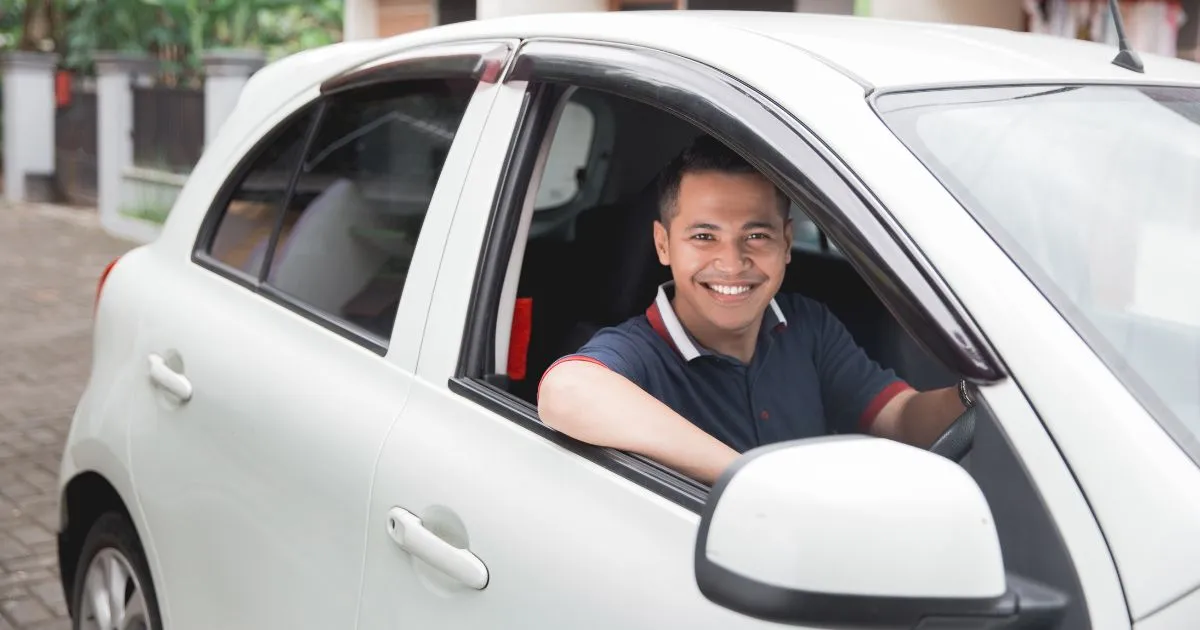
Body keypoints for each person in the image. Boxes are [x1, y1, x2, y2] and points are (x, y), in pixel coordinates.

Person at [536, 136, 973, 485]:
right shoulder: (642, 350)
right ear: (663, 244)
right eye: (704, 237)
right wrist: (749, 478)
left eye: (756, 236)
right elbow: (566, 390)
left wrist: (974, 395)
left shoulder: (807, 325)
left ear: (786, 242)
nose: (731, 262)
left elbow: (898, 419)